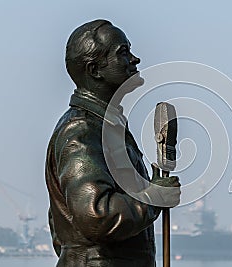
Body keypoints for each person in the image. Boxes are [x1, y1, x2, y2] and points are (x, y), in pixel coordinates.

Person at [45, 19, 181, 267]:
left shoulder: (106, 128)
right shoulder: (82, 131)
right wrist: (154, 196)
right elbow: (96, 217)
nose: (135, 59)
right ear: (95, 70)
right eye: (123, 53)